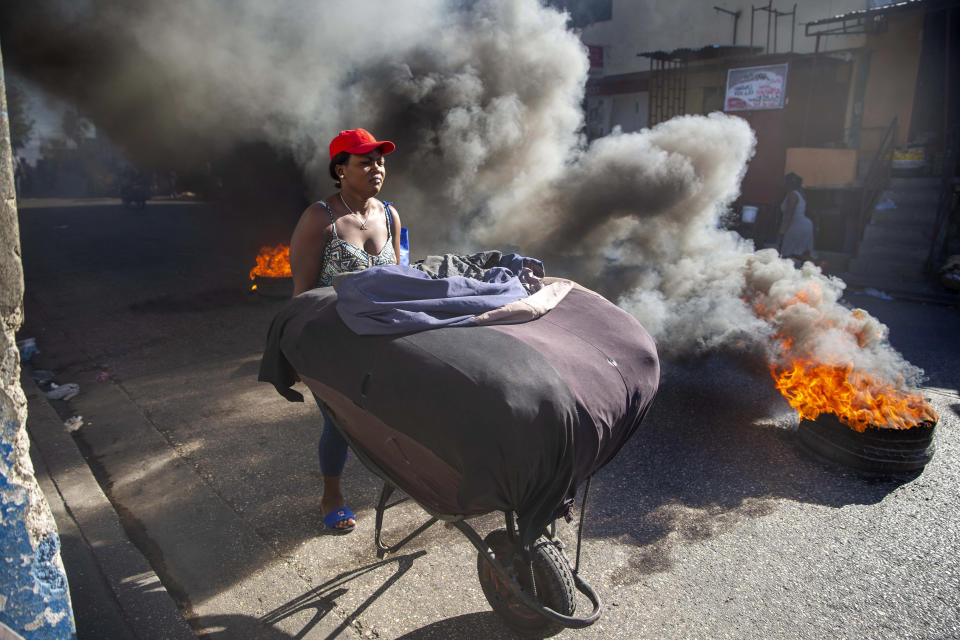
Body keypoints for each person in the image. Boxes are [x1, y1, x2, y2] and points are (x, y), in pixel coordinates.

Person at [289, 128, 402, 534]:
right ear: (340, 169)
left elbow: (401, 282)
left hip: (386, 339)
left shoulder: (389, 215)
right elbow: (302, 294)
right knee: (339, 423)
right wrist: (298, 354)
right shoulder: (320, 218)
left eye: (381, 160)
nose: (377, 168)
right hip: (332, 343)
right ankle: (331, 494)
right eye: (365, 161)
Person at [777, 172, 814, 260]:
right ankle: (816, 263)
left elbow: (790, 213)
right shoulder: (799, 194)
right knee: (799, 252)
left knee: (788, 254)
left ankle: (817, 263)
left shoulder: (792, 195)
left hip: (796, 225)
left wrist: (782, 230)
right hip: (805, 225)